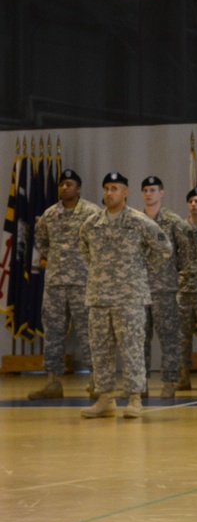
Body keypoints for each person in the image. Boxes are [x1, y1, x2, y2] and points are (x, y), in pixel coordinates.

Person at [78, 173, 172, 419]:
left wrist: (139, 269)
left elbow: (164, 248)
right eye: (107, 188)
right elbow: (84, 251)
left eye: (115, 188)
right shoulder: (91, 223)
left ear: (125, 192)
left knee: (131, 349)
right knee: (100, 351)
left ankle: (134, 398)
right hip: (99, 298)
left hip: (129, 298)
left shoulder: (139, 222)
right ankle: (106, 398)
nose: (110, 193)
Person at [28, 169, 100, 399]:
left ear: (78, 188)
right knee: (53, 333)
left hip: (82, 283)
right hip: (56, 284)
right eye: (62, 184)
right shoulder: (50, 214)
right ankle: (53, 382)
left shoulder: (91, 213)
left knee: (89, 332)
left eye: (69, 184)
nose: (64, 188)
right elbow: (41, 241)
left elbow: (99, 244)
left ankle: (96, 381)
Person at [139, 176, 187, 401]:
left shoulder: (173, 221)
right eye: (146, 190)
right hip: (139, 290)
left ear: (162, 193)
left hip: (165, 289)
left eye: (153, 190)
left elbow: (185, 254)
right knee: (139, 339)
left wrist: (176, 278)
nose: (149, 194)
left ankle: (169, 381)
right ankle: (140, 383)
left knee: (169, 339)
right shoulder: (135, 220)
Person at [176, 186, 197, 390]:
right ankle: (182, 376)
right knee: (182, 337)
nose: (194, 205)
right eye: (191, 201)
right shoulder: (179, 227)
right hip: (185, 289)